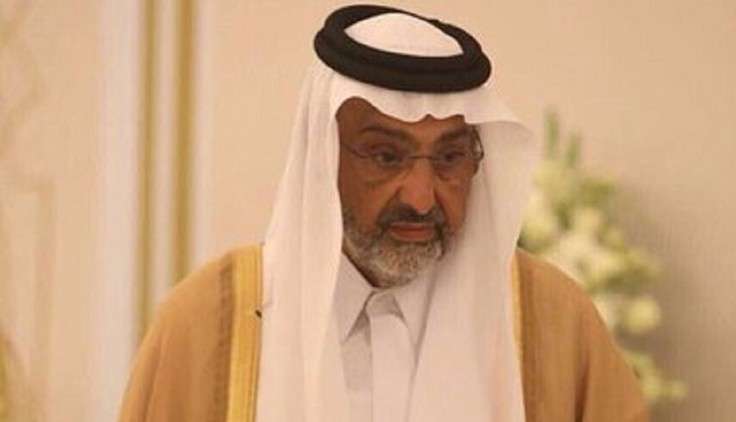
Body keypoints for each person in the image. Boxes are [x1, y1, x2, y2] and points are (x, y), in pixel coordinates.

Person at [119, 4, 647, 422]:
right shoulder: (209, 322)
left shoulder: (550, 320)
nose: (421, 197)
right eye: (386, 156)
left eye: (450, 158)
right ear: (324, 157)